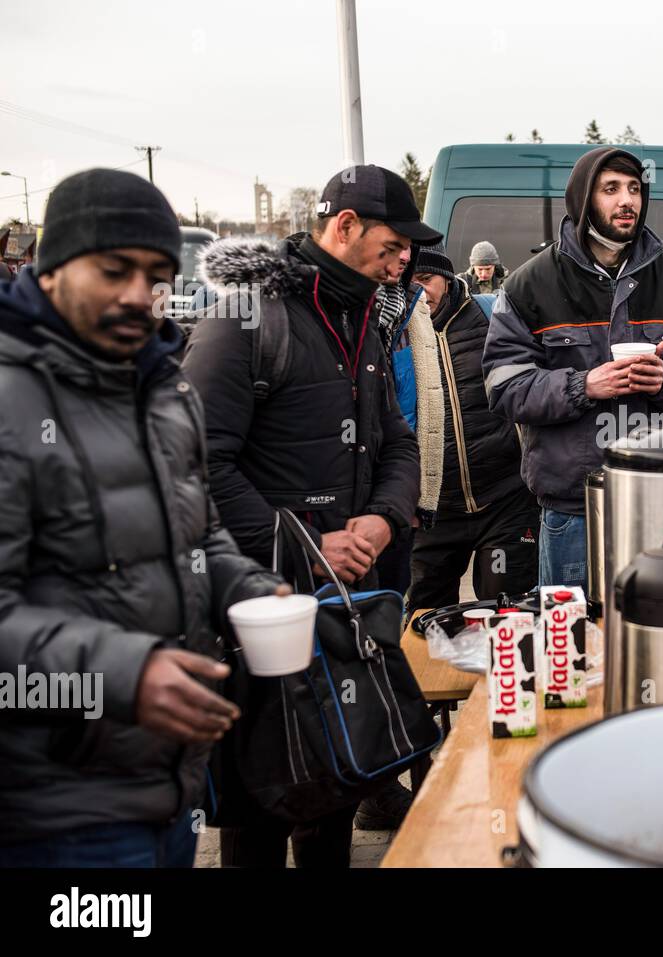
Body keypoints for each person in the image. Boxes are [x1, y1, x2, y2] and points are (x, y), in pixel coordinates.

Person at [0, 169, 285, 867]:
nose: (139, 295)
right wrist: (124, 673)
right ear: (50, 267)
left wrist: (251, 589)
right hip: (50, 809)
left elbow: (198, 532)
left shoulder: (164, 385)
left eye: (158, 274)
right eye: (114, 269)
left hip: (167, 787)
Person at [184, 164, 427, 860]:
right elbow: (197, 464)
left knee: (335, 788)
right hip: (258, 609)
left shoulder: (365, 319)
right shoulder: (244, 317)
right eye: (396, 239)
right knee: (262, 806)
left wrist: (384, 517)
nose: (407, 255)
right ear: (344, 226)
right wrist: (310, 544)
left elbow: (398, 442)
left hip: (342, 610)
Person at [482, 146, 663, 588]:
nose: (626, 200)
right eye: (610, 189)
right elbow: (503, 385)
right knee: (574, 639)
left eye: (634, 188)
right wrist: (583, 385)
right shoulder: (530, 284)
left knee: (656, 629)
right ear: (583, 199)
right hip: (572, 504)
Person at [390, 242, 538, 610]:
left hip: (505, 499)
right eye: (410, 281)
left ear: (446, 273)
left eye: (426, 279)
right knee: (425, 621)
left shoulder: (491, 315)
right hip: (433, 513)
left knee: (509, 615)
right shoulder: (394, 332)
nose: (419, 291)